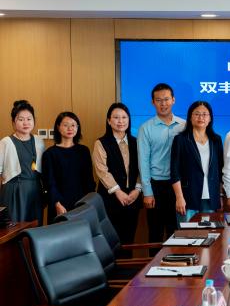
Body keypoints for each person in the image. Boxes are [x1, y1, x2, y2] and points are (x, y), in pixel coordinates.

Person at [138, 83, 185, 244]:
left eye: (166, 99)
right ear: (153, 102)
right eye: (158, 100)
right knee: (155, 233)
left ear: (173, 100)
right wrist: (147, 192)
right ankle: (153, 261)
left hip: (179, 186)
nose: (163, 104)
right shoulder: (145, 128)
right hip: (156, 186)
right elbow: (143, 161)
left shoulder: (184, 125)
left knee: (177, 231)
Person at [92, 103, 142, 249]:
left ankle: (127, 265)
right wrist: (117, 191)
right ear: (109, 121)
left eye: (124, 117)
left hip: (133, 197)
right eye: (116, 117)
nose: (120, 121)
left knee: (129, 239)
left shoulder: (136, 142)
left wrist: (138, 189)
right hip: (110, 198)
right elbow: (102, 170)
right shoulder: (101, 143)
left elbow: (143, 167)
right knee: (111, 241)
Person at [171, 101, 224, 223]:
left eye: (205, 114)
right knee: (187, 233)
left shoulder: (216, 140)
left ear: (210, 118)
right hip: (188, 198)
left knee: (208, 232)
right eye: (197, 114)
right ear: (190, 117)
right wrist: (179, 197)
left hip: (210, 198)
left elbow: (220, 170)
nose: (201, 117)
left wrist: (220, 195)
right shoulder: (181, 140)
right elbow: (175, 171)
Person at [42, 111, 95, 222]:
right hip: (59, 205)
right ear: (58, 127)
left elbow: (89, 180)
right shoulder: (50, 154)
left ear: (77, 127)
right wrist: (57, 204)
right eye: (65, 125)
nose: (70, 128)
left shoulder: (84, 151)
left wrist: (89, 203)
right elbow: (50, 183)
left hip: (82, 204)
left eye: (73, 125)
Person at [0, 100, 45, 224]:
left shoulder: (39, 141)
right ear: (13, 122)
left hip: (35, 190)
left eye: (29, 119)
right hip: (14, 191)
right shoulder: (5, 142)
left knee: (35, 226)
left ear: (34, 120)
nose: (26, 123)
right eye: (21, 119)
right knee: (14, 227)